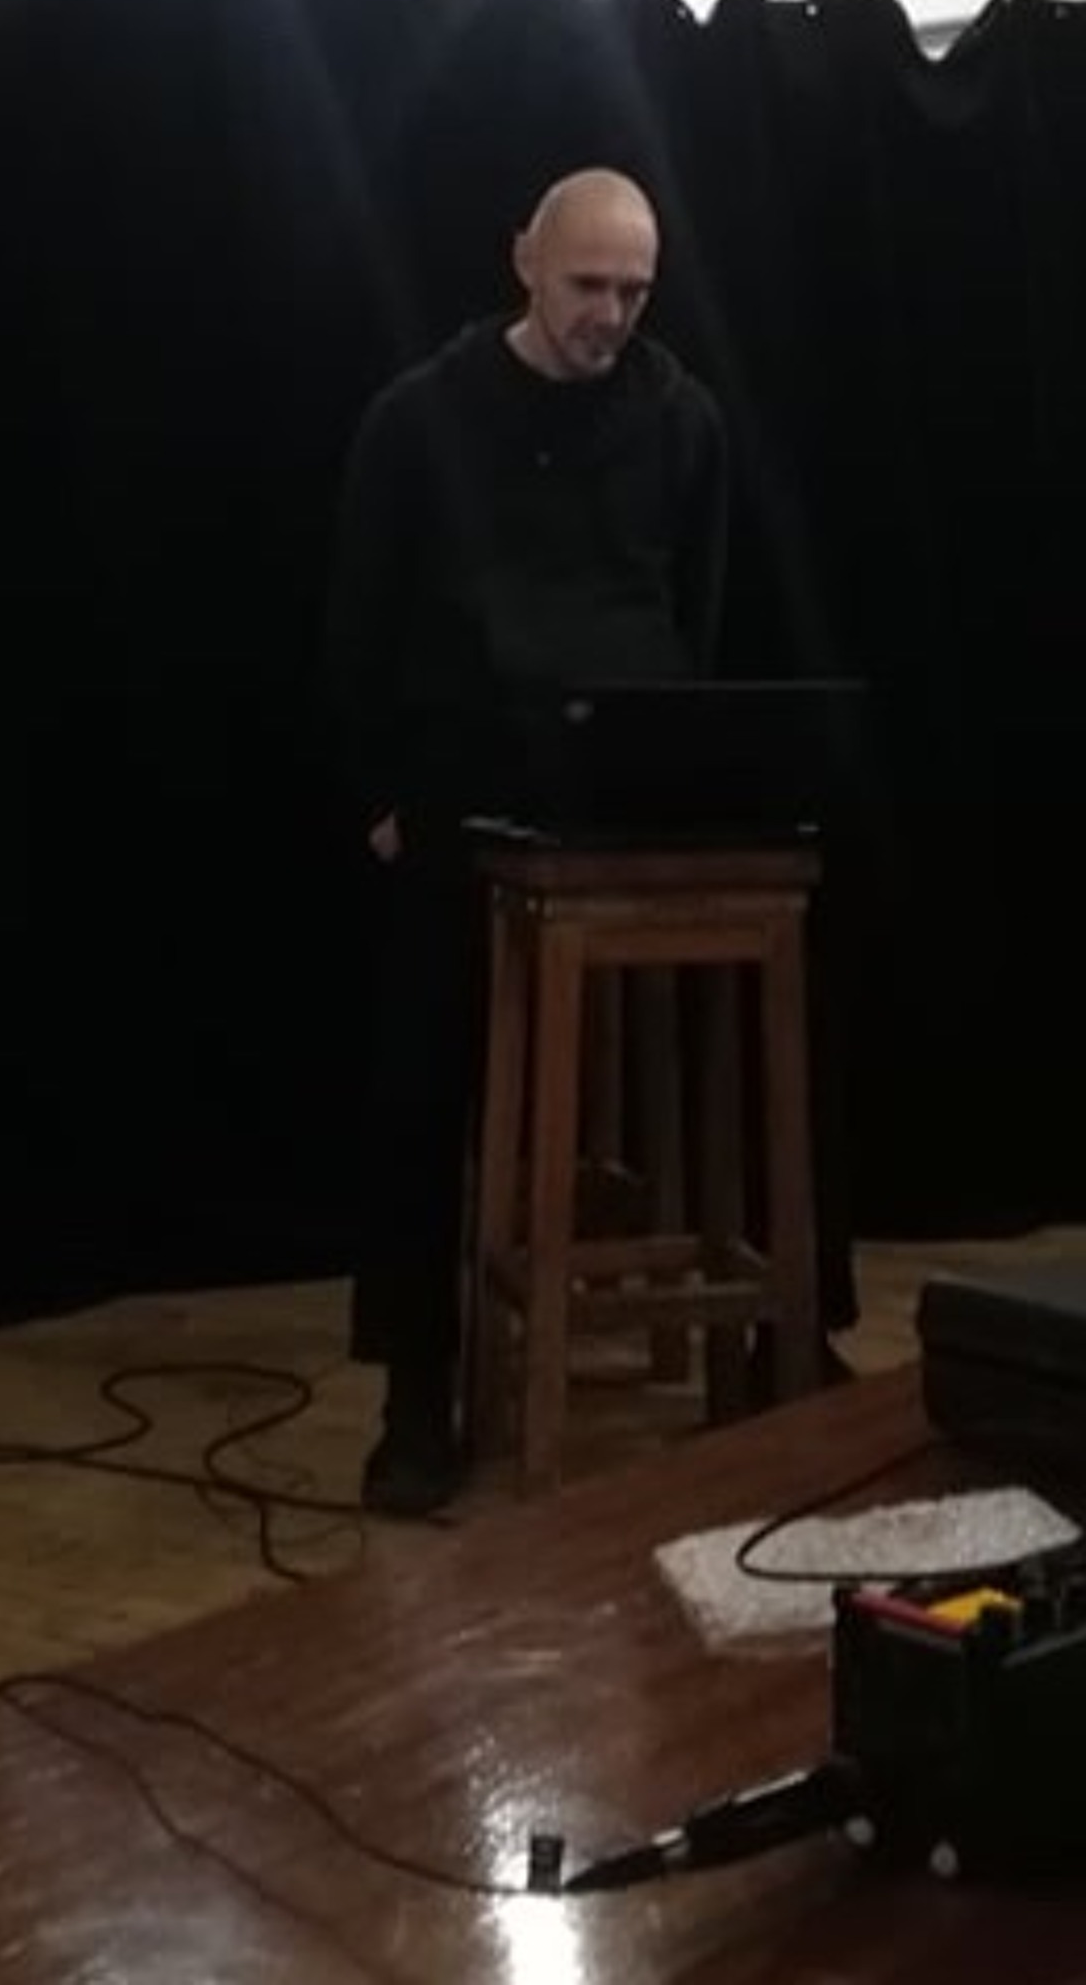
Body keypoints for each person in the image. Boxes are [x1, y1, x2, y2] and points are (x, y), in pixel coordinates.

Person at [325, 167, 727, 1516]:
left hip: (626, 801)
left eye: (634, 291)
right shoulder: (420, 419)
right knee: (420, 1060)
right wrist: (382, 799)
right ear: (524, 264)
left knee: (775, 990)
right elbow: (358, 623)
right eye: (588, 285)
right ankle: (415, 1390)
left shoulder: (682, 422)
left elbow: (698, 613)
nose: (610, 314)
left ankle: (778, 1343)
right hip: (463, 795)